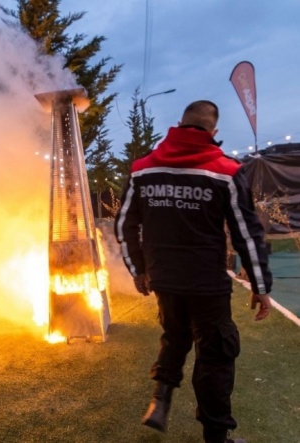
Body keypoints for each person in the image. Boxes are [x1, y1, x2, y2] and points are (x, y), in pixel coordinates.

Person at [114, 100, 272, 443]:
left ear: (179, 125)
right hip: (207, 283)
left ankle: (161, 399)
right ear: (213, 133)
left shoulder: (143, 169)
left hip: (164, 280)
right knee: (216, 354)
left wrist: (138, 269)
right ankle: (216, 436)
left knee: (175, 335)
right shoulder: (226, 171)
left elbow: (125, 224)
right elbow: (247, 232)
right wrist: (260, 285)